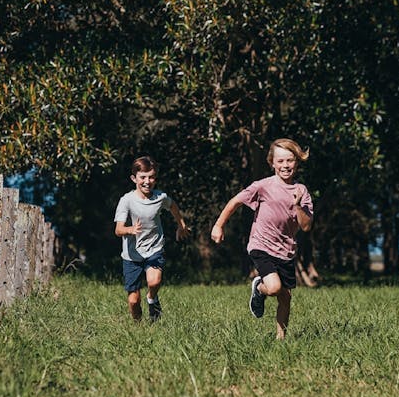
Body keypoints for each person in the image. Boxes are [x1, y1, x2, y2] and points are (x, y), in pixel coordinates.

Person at [210, 138, 313, 339]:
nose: (285, 166)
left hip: (286, 250)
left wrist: (298, 205)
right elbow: (235, 202)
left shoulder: (302, 191)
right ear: (272, 163)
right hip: (261, 245)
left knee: (286, 297)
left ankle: (280, 339)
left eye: (290, 161)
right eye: (280, 161)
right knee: (274, 288)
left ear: (297, 162)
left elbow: (306, 226)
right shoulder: (263, 186)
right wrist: (218, 225)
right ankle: (259, 287)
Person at [114, 155, 190, 322]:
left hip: (154, 248)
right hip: (132, 256)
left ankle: (152, 299)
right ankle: (139, 327)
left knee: (154, 282)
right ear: (134, 178)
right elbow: (118, 230)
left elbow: (173, 206)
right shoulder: (126, 201)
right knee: (133, 300)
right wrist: (130, 229)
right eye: (143, 177)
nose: (147, 181)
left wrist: (181, 225)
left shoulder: (160, 197)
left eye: (151, 177)